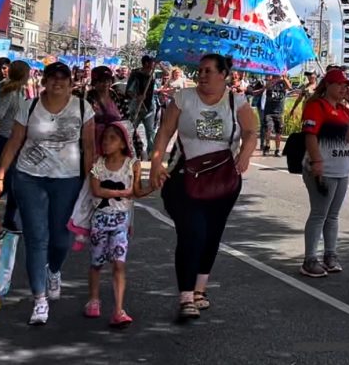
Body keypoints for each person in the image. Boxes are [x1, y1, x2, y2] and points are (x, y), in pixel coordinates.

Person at [149, 53, 258, 321]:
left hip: (223, 180)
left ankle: (200, 290)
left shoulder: (237, 101)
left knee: (212, 234)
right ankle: (186, 295)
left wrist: (245, 154)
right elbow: (165, 131)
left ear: (224, 74)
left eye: (209, 70)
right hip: (185, 177)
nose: (203, 75)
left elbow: (251, 131)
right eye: (200, 70)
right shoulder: (184, 98)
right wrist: (156, 162)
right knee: (192, 233)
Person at [0, 61, 95, 325]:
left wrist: (90, 186)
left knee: (61, 238)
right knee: (36, 238)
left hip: (67, 180)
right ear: (44, 81)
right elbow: (14, 142)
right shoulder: (29, 107)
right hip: (29, 178)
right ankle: (39, 299)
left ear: (71, 83)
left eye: (63, 78)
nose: (57, 82)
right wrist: (1, 176)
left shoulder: (83, 108)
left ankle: (54, 269)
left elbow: (89, 148)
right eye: (52, 78)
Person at [85, 121, 150, 328]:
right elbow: (97, 190)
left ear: (123, 143)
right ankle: (94, 299)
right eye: (104, 139)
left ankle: (119, 309)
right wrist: (121, 193)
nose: (106, 142)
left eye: (112, 139)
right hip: (100, 219)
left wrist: (153, 186)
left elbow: (137, 191)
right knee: (97, 262)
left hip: (121, 220)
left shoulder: (132, 165)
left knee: (119, 263)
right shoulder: (98, 164)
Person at [299, 68, 349, 276]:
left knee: (333, 216)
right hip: (323, 169)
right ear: (328, 85)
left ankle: (330, 255)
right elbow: (310, 135)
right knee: (319, 214)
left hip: (342, 170)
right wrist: (317, 161)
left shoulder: (345, 111)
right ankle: (309, 259)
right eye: (340, 85)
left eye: (347, 86)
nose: (344, 89)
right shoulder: (317, 106)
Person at [0, 60, 32, 232]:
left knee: (15, 184)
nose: (29, 76)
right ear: (22, 74)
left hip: (14, 142)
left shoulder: (19, 92)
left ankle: (9, 219)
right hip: (2, 140)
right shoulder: (8, 92)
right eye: (27, 72)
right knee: (4, 183)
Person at [86, 66, 123, 158]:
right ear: (95, 82)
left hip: (115, 145)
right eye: (102, 80)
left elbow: (126, 120)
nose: (106, 83)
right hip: (94, 145)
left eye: (108, 80)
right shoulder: (87, 98)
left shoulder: (118, 97)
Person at [125, 56, 158, 156]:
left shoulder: (153, 74)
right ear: (146, 63)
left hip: (149, 108)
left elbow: (167, 73)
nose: (153, 65)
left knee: (150, 131)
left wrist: (159, 62)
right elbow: (128, 91)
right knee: (131, 129)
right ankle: (131, 152)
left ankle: (151, 153)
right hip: (136, 107)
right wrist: (136, 97)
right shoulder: (136, 74)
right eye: (152, 63)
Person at [261, 74, 291, 157]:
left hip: (279, 112)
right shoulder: (270, 82)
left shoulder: (283, 83)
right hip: (269, 112)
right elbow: (267, 87)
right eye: (275, 75)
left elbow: (289, 87)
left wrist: (284, 78)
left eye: (277, 75)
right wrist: (273, 80)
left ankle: (277, 150)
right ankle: (267, 146)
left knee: (279, 132)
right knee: (268, 130)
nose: (277, 76)